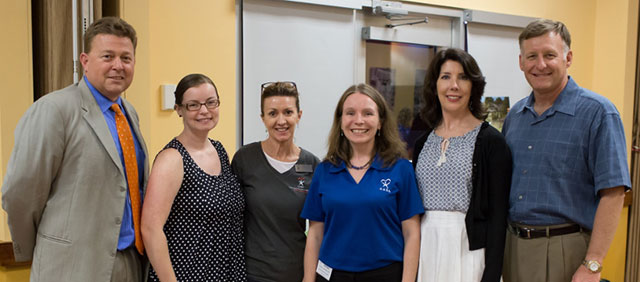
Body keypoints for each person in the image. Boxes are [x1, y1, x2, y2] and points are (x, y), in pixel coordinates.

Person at [1, 17, 146, 282]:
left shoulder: (129, 115)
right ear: (85, 60)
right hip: (71, 267)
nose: (118, 65)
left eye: (126, 58)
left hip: (130, 263)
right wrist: (46, 249)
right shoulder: (54, 110)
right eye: (107, 56)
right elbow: (20, 192)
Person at [502, 19, 631, 282]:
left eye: (549, 55)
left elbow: (614, 193)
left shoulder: (598, 113)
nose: (540, 65)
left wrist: (593, 264)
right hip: (513, 246)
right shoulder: (515, 116)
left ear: (568, 57)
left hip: (566, 249)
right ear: (521, 62)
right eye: (532, 56)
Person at [301, 83, 424, 282]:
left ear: (380, 122)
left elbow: (411, 233)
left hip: (385, 274)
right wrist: (308, 279)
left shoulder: (401, 169)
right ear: (340, 121)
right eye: (350, 113)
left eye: (368, 113)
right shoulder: (324, 171)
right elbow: (315, 234)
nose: (358, 121)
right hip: (332, 275)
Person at [412, 48, 512, 282]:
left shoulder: (491, 143)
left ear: (473, 86)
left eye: (463, 77)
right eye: (445, 76)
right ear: (435, 85)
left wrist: (492, 274)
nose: (453, 85)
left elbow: (499, 219)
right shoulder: (422, 143)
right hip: (426, 246)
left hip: (470, 248)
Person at [141, 74, 246, 281]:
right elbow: (150, 229)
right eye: (193, 105)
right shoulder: (172, 159)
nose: (204, 111)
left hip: (225, 273)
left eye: (210, 102)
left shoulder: (219, 150)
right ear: (179, 109)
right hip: (186, 275)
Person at [232, 81, 320, 282]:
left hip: (296, 272)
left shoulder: (313, 165)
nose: (281, 121)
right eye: (272, 113)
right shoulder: (245, 159)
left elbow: (317, 230)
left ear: (299, 115)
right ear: (262, 118)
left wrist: (309, 277)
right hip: (252, 273)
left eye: (288, 112)